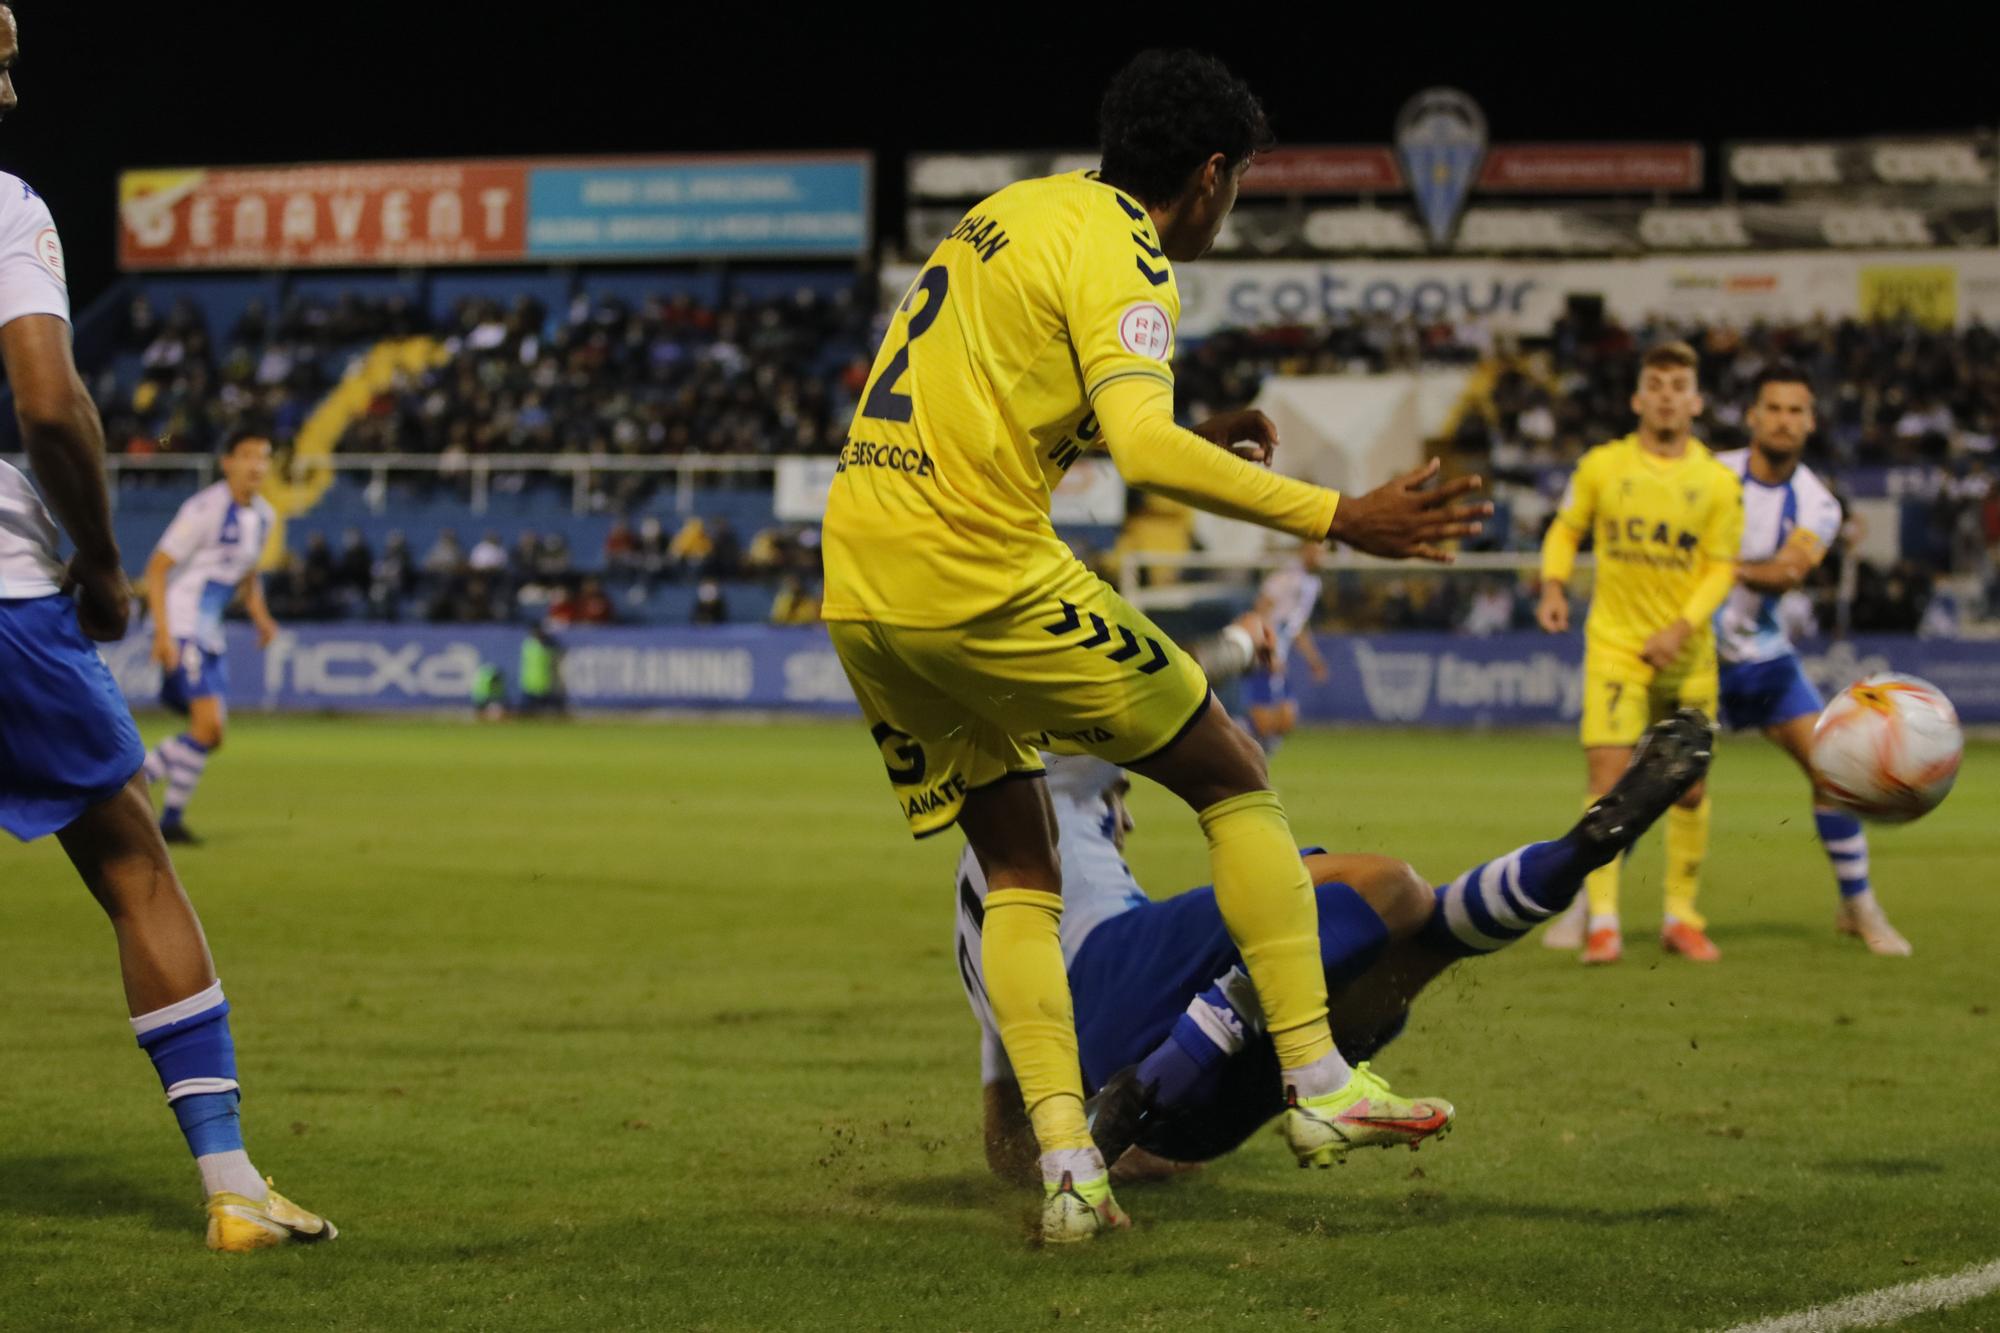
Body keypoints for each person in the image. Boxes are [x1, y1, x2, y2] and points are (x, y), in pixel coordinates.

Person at [819, 48, 1488, 1241]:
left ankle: (1069, 1168)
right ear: (1210, 176)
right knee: (1229, 772)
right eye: (1238, 190)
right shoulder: (1130, 251)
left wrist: (1190, 430)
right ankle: (1316, 1084)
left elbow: (998, 411)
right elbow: (1141, 452)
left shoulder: (1007, 213)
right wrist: (1346, 515)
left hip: (862, 583)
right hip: (974, 569)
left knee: (1016, 864)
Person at [0, 3, 332, 1250]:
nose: (14, 92)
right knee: (135, 861)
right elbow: (48, 403)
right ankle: (233, 1183)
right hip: (9, 597)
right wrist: (97, 560)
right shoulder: (7, 205)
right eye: (1, 62)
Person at [960, 713, 1713, 1181]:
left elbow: (1005, 1141)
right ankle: (1581, 850)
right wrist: (1243, 640)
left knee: (1393, 959)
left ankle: (1581, 846)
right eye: (1121, 803)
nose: (1128, 820)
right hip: (1117, 965)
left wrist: (1092, 1155)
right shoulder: (1046, 783)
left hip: (1169, 1104)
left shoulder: (994, 917)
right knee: (1386, 890)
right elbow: (1114, 707)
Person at [1536, 341, 1744, 965]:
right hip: (1617, 646)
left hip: (1686, 654)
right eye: (1655, 384)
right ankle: (1602, 920)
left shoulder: (1716, 482)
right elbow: (1567, 527)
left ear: (1696, 400)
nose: (1666, 395)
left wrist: (1680, 629)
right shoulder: (1603, 466)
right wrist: (1552, 584)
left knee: (1688, 790)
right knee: (1607, 780)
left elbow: (1721, 568)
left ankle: (1681, 915)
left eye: (1679, 385)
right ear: (1637, 397)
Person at [1711, 364, 1908, 954]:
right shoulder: (1711, 475)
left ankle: (1860, 908)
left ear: (1811, 423)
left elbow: (1788, 572)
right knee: (1655, 785)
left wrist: (1719, 569)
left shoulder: (1819, 503)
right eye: (1773, 408)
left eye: (1796, 411)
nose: (1783, 420)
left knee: (1836, 774)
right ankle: (1596, 908)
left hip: (1766, 661)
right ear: (1753, 416)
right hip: (1696, 659)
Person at [139, 430, 282, 845]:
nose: (257, 465)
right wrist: (163, 634)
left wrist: (262, 618)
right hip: (182, 628)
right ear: (228, 463)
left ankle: (168, 820)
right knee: (206, 725)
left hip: (208, 635)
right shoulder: (204, 508)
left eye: (264, 456)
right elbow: (157, 568)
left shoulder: (265, 516)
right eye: (248, 456)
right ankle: (123, 793)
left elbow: (248, 575)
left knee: (212, 734)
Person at [1240, 543, 1329, 754]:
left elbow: (1296, 627)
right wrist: (1268, 651)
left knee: (1286, 720)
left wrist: (1314, 660)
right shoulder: (1285, 578)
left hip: (1279, 656)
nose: (1322, 557)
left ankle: (1253, 755)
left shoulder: (1313, 584)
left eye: (1324, 552)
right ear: (1305, 550)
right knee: (1265, 722)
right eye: (1317, 551)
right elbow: (1260, 612)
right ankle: (1237, 741)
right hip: (1263, 655)